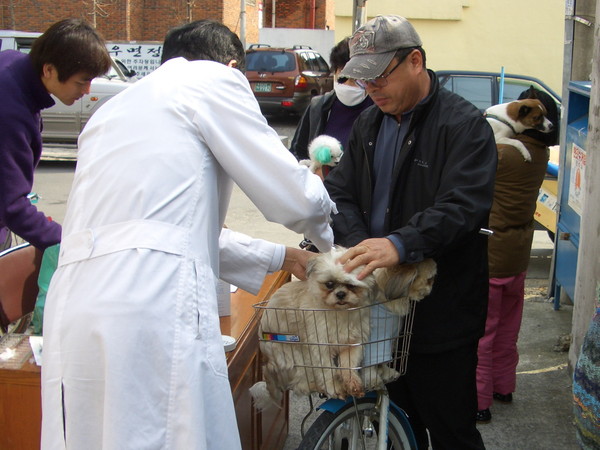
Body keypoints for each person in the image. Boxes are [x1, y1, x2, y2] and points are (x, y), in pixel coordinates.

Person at [40, 20, 335, 449]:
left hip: (76, 304)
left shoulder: (113, 110)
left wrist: (288, 258)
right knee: (164, 432)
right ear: (232, 65)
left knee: (92, 433)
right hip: (148, 301)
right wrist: (328, 225)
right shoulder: (213, 80)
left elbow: (161, 233)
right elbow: (295, 199)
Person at [325, 15, 497, 449]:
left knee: (450, 427)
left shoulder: (463, 125)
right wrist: (364, 246)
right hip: (380, 308)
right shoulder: (369, 123)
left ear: (415, 60)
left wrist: (400, 244)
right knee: (396, 420)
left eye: (380, 76)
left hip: (442, 310)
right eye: (363, 80)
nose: (371, 90)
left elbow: (464, 205)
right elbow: (339, 192)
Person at [476, 88, 559, 423]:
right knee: (509, 328)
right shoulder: (538, 156)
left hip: (492, 254)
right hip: (519, 255)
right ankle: (504, 387)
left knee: (485, 331)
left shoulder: (503, 154)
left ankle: (479, 401)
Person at [0, 18, 111, 251]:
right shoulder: (9, 111)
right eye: (81, 82)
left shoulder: (14, 65)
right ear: (49, 69)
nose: (87, 90)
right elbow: (11, 206)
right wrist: (71, 244)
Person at [289, 36, 374, 172]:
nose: (348, 85)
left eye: (355, 79)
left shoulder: (379, 112)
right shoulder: (319, 107)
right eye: (342, 78)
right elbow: (296, 151)